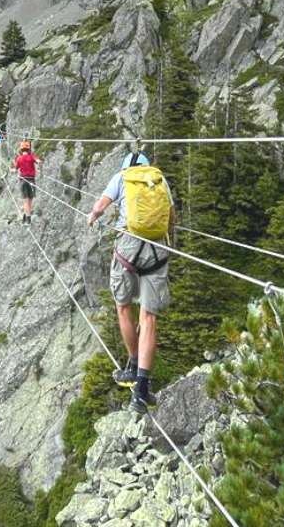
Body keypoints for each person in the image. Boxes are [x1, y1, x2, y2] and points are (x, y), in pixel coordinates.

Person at [87, 152, 174, 414]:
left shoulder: (121, 177)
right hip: (157, 250)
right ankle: (141, 391)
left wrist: (92, 217)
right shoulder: (159, 179)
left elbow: (101, 205)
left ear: (127, 167)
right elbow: (171, 216)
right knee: (149, 319)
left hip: (128, 246)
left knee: (123, 307)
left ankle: (133, 366)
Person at [13, 141, 41, 224]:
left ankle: (26, 216)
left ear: (21, 149)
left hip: (23, 180)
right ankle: (28, 218)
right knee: (30, 200)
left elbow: (15, 169)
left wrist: (12, 169)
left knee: (26, 201)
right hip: (31, 180)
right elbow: (39, 161)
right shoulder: (32, 156)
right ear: (29, 149)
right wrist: (40, 168)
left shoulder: (19, 158)